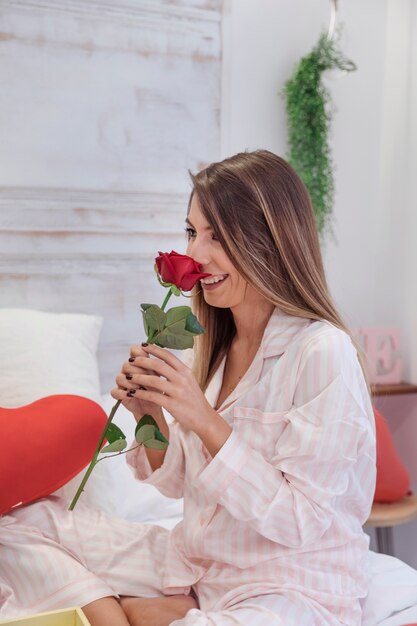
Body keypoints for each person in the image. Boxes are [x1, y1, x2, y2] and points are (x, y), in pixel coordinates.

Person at [0, 150, 376, 626]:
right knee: (20, 526)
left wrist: (204, 417)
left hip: (287, 585)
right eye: (193, 232)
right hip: (197, 563)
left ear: (270, 239)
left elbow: (299, 521)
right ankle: (107, 611)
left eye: (217, 236)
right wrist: (148, 414)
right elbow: (180, 482)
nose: (195, 255)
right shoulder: (221, 344)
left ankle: (143, 612)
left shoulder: (322, 352)